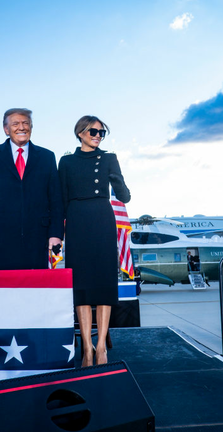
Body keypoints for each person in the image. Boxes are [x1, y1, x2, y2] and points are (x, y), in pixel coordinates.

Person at [58, 115, 130, 367]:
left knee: (103, 284)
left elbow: (125, 196)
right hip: (77, 223)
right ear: (80, 133)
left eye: (102, 132)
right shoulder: (66, 162)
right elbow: (61, 200)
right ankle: (86, 348)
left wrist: (117, 179)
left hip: (102, 219)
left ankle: (101, 349)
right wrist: (58, 234)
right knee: (83, 287)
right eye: (93, 131)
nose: (98, 135)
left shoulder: (109, 159)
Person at [0, 108, 64, 270]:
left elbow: (55, 200)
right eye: (15, 124)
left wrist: (56, 234)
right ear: (6, 130)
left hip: (37, 239)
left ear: (31, 127)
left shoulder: (47, 157)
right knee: (1, 290)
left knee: (35, 290)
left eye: (25, 123)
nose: (21, 127)